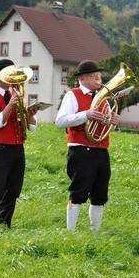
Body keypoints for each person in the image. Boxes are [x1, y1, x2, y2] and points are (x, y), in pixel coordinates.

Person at [55, 60, 120, 232]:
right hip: (81, 150)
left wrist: (112, 122)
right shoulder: (72, 95)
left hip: (101, 150)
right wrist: (86, 115)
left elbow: (105, 125)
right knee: (78, 192)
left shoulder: (103, 98)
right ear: (83, 78)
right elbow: (60, 121)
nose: (99, 79)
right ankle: (71, 230)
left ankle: (95, 232)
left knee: (100, 194)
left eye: (99, 76)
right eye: (95, 76)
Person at [0, 59, 37, 227]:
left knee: (13, 190)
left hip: (18, 149)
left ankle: (4, 224)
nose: (13, 77)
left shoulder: (16, 95)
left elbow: (32, 127)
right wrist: (11, 106)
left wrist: (30, 113)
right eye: (7, 73)